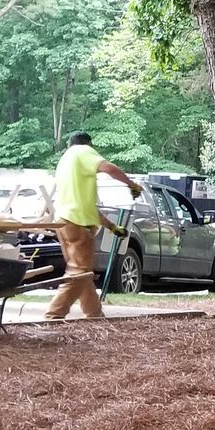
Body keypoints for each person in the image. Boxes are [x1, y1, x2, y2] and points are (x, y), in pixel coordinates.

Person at [46, 132, 142, 321]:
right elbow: (109, 168)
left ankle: (94, 314)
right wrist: (132, 185)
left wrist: (112, 227)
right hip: (78, 224)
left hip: (64, 222)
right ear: (88, 144)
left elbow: (87, 206)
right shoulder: (83, 151)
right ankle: (53, 315)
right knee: (79, 273)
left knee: (83, 273)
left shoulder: (66, 161)